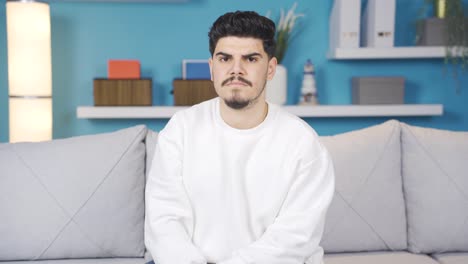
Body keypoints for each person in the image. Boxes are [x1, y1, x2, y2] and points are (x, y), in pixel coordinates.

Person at [145, 10, 335, 264]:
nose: (236, 70)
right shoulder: (181, 129)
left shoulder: (303, 143)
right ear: (212, 68)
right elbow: (164, 221)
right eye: (225, 59)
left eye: (250, 59)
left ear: (270, 69)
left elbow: (293, 238)